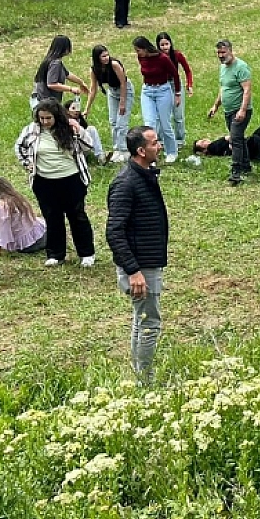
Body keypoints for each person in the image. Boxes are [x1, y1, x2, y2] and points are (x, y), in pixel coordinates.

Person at [106, 126, 169, 382]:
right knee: (149, 324)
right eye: (155, 143)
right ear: (141, 151)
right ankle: (145, 381)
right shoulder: (126, 183)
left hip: (146, 262)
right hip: (140, 267)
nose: (159, 146)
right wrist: (133, 271)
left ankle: (139, 374)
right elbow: (114, 232)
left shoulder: (143, 176)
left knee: (141, 319)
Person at [16, 101, 98, 267]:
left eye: (48, 118)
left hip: (71, 179)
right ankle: (55, 254)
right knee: (52, 217)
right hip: (44, 181)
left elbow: (88, 146)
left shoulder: (69, 128)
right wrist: (27, 163)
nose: (45, 122)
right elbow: (19, 147)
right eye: (41, 118)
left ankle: (86, 253)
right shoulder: (32, 130)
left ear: (57, 116)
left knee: (77, 216)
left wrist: (79, 131)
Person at [207, 39, 253, 186]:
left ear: (230, 51)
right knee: (239, 138)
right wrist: (215, 106)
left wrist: (242, 110)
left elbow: (247, 90)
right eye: (218, 53)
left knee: (235, 139)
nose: (221, 55)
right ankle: (246, 164)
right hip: (228, 110)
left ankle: (236, 172)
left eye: (223, 52)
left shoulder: (241, 67)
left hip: (239, 110)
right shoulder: (222, 68)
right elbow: (223, 88)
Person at [134, 36, 182, 164]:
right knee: (149, 124)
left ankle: (171, 151)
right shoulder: (141, 58)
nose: (137, 53)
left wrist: (177, 93)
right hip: (147, 90)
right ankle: (151, 155)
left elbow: (175, 74)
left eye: (138, 50)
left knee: (165, 123)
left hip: (162, 90)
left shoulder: (163, 58)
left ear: (145, 48)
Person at [90, 45, 133, 163]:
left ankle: (124, 150)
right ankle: (117, 149)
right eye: (103, 56)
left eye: (107, 55)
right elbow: (93, 89)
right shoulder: (94, 69)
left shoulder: (114, 64)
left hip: (125, 90)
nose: (106, 58)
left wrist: (123, 103)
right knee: (113, 122)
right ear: (97, 58)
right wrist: (87, 108)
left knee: (121, 122)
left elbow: (123, 83)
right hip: (112, 92)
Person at [0, 177, 47, 256]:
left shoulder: (0, 206)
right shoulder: (17, 197)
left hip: (27, 245)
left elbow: (1, 229)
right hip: (40, 234)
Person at [192, 121, 260, 168]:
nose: (204, 140)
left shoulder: (215, 145)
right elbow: (230, 137)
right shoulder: (212, 147)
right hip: (242, 148)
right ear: (203, 150)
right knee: (255, 138)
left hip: (242, 143)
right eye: (202, 143)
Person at [31, 35, 86, 113]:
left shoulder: (51, 60)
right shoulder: (55, 63)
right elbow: (51, 84)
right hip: (46, 104)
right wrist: (71, 89)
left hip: (41, 101)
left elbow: (67, 74)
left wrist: (81, 83)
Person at [157, 31, 194, 146]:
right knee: (163, 114)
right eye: (162, 45)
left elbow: (187, 70)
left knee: (178, 114)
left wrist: (189, 85)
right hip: (163, 85)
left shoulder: (177, 55)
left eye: (166, 44)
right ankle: (161, 139)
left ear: (170, 44)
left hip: (175, 84)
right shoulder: (157, 57)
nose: (165, 47)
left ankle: (180, 139)